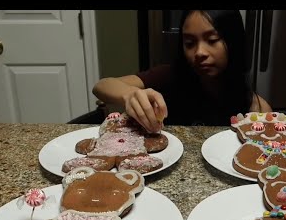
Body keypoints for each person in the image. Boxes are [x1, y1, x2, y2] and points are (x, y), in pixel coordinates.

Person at [93, 10, 272, 132]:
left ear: (234, 42)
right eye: (189, 43)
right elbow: (102, 86)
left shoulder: (256, 107)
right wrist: (129, 95)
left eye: (212, 40)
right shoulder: (170, 76)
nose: (200, 52)